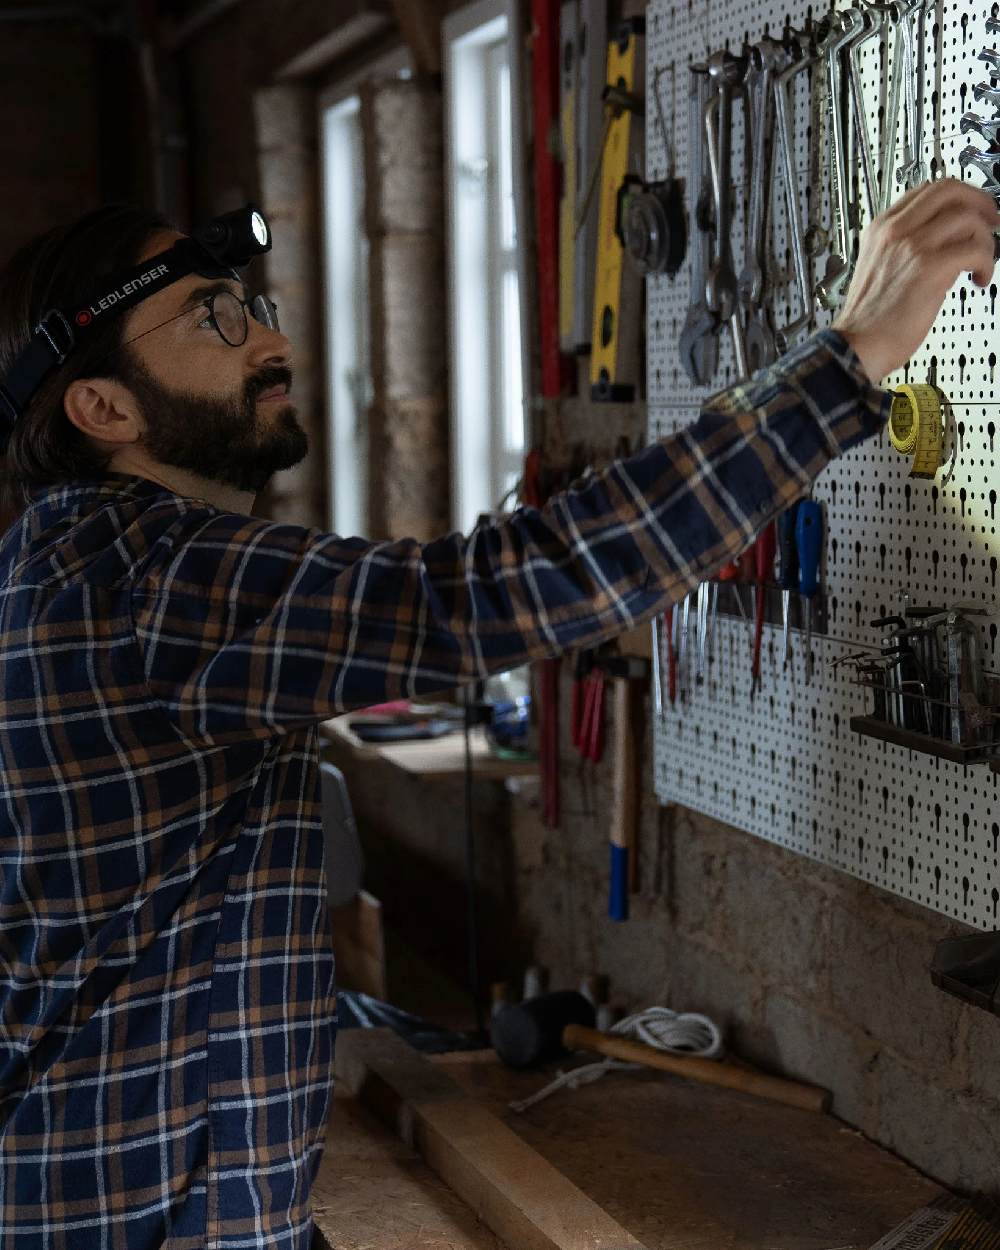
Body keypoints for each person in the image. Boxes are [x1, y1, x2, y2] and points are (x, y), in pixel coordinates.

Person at [0, 179, 993, 1250]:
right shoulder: (138, 578)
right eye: (213, 315)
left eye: (255, 302)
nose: (266, 340)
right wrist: (847, 358)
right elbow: (490, 593)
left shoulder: (71, 569)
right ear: (103, 408)